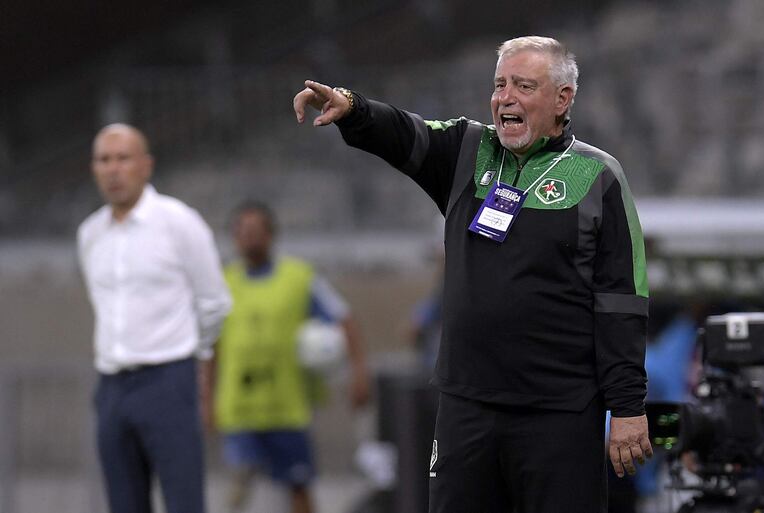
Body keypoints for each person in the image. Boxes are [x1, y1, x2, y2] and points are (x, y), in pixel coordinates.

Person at [293, 36, 653, 513]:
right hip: (468, 406)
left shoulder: (598, 176)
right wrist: (355, 108)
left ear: (562, 98)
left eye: (524, 86)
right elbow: (404, 132)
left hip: (560, 412)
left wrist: (627, 407)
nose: (506, 98)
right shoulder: (467, 148)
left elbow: (622, 302)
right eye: (500, 85)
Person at [77, 124, 232, 513]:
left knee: (183, 502)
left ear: (146, 165)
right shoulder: (90, 233)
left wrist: (189, 355)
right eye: (104, 160)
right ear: (94, 168)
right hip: (111, 386)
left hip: (167, 381)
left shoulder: (179, 222)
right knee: (124, 503)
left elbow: (213, 302)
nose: (113, 169)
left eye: (123, 158)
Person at [201, 201, 370, 513]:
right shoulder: (222, 284)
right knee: (242, 484)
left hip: (286, 408)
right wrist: (206, 398)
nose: (249, 237)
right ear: (234, 237)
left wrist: (359, 372)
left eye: (256, 230)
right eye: (243, 231)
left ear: (271, 234)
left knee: (298, 485)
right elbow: (211, 345)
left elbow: (344, 319)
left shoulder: (299, 277)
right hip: (239, 409)